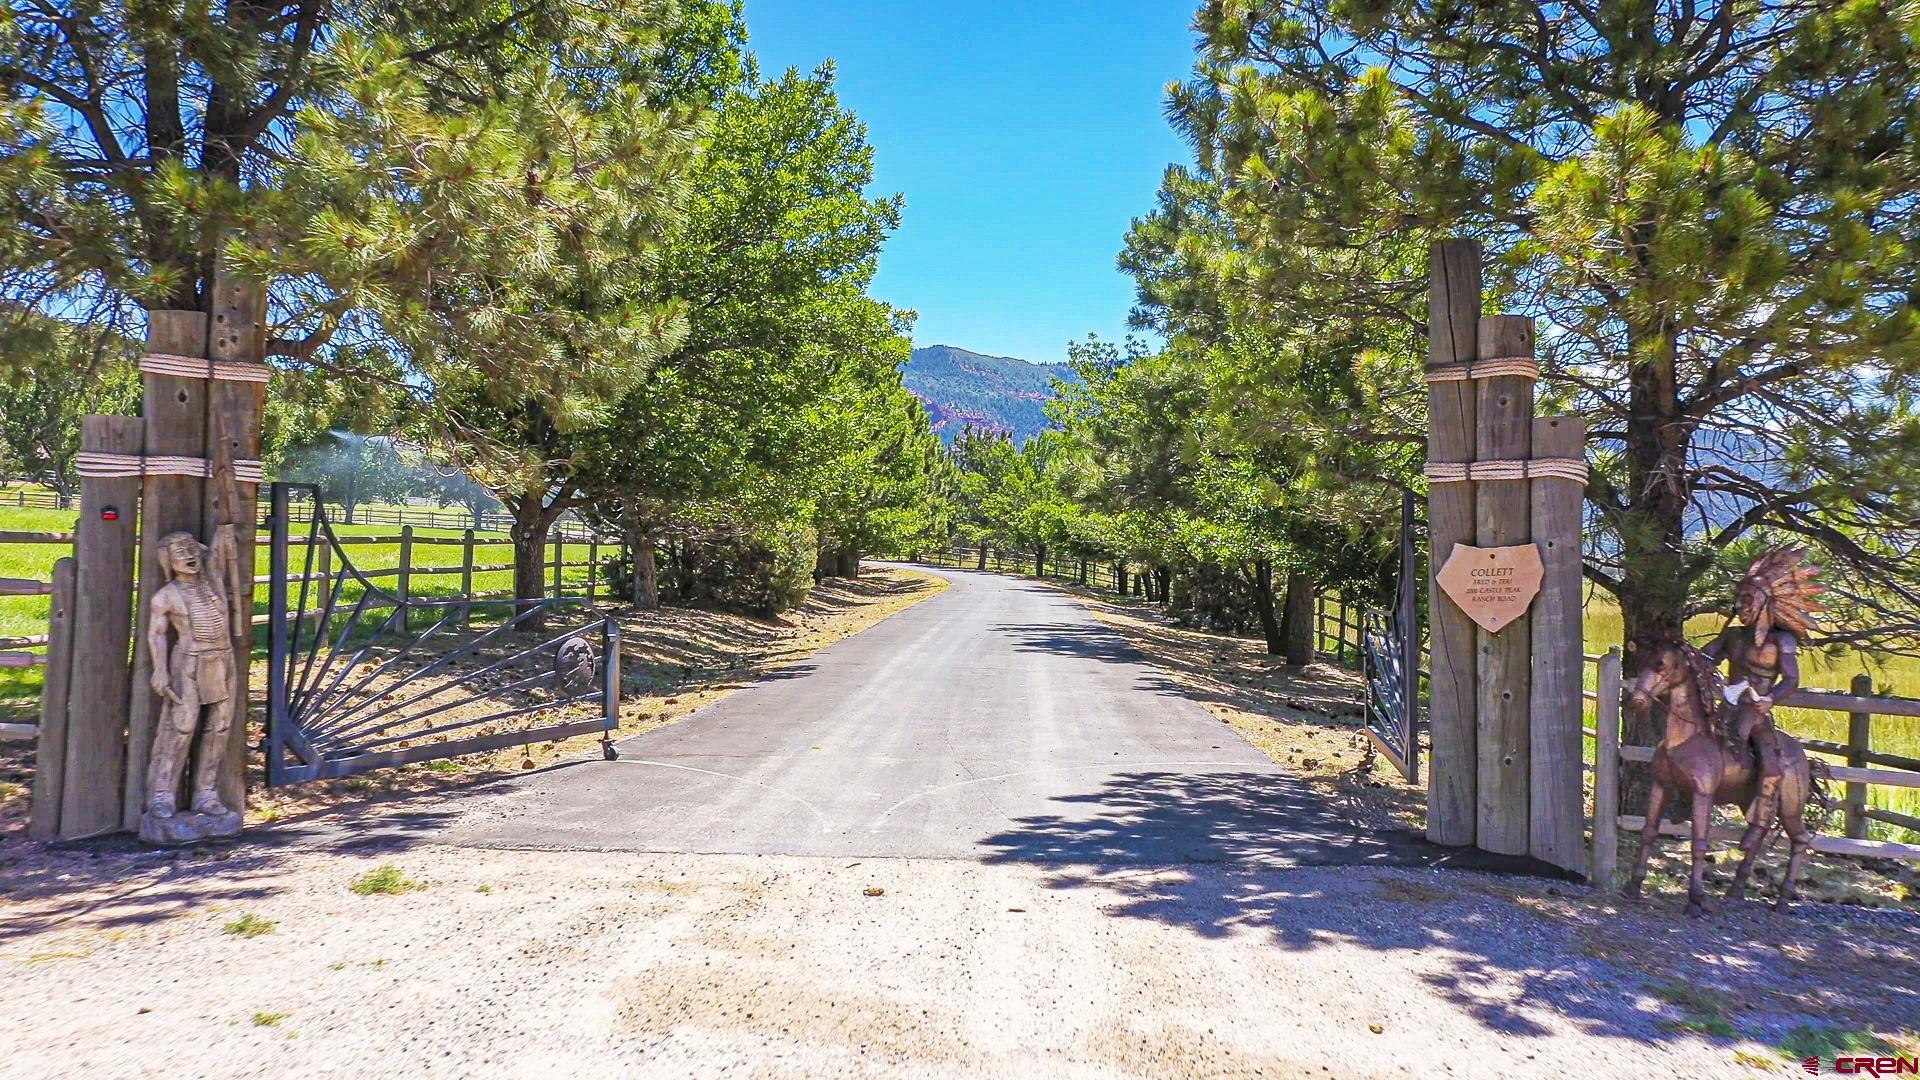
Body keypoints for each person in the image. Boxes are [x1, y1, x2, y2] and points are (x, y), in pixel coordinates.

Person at [1702, 549, 1824, 812]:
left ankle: (1762, 814)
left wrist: (1770, 699)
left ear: (1765, 602)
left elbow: (1791, 679)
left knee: (1770, 765)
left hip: (1755, 713)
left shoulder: (1782, 641)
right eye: (1738, 600)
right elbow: (1706, 657)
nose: (1740, 606)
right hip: (1727, 706)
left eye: (1748, 599)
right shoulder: (1732, 636)